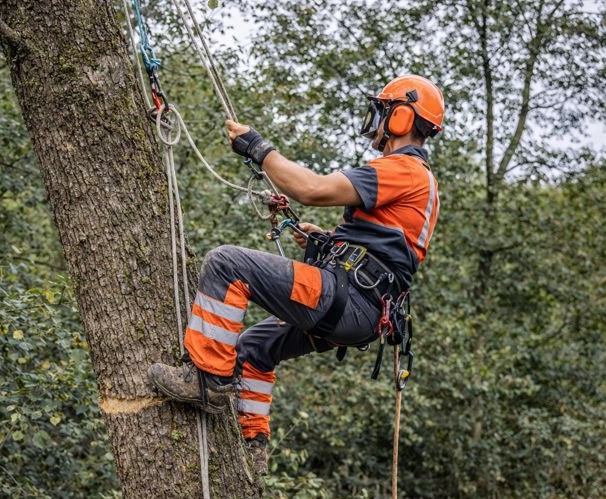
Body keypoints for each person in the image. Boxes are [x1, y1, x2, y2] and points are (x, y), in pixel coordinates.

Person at [149, 74, 444, 474]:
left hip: (350, 301)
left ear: (402, 118)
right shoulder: (416, 180)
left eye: (382, 111)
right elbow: (383, 250)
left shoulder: (403, 170)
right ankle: (253, 446)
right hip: (360, 309)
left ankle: (206, 381)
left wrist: (258, 148)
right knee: (254, 349)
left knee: (227, 263)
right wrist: (325, 242)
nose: (375, 121)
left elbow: (313, 189)